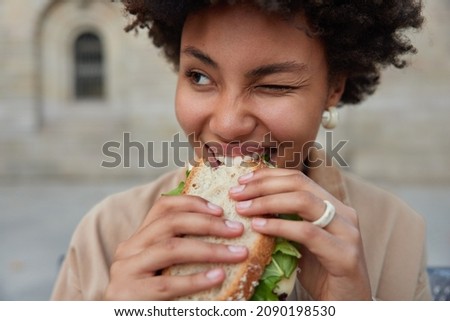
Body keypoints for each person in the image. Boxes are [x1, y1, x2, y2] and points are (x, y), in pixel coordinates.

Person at [51, 0, 431, 300]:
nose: (228, 124)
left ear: (334, 88)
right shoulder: (105, 234)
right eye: (199, 77)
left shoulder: (398, 234)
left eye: (275, 86)